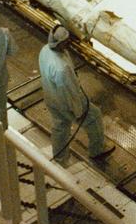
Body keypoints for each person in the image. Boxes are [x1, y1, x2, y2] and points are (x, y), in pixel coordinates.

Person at [38, 25, 111, 164]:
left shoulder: (45, 50)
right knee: (94, 117)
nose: (69, 43)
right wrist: (78, 111)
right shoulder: (61, 68)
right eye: (66, 41)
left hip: (51, 97)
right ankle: (97, 150)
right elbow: (70, 93)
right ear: (60, 43)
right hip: (67, 102)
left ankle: (60, 159)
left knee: (60, 127)